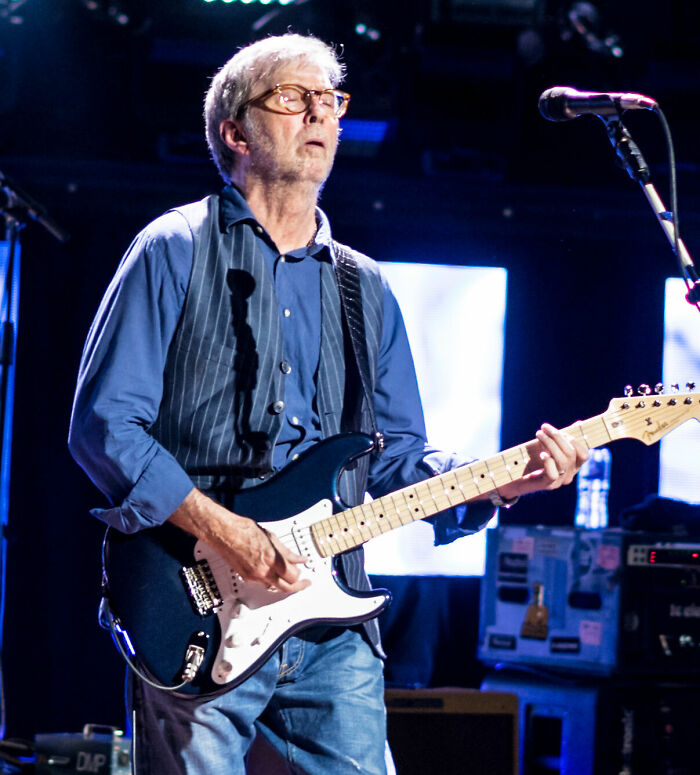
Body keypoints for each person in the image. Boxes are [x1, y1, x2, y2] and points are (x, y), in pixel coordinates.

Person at [68, 33, 587, 775]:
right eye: (292, 97)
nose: (319, 113)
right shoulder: (173, 248)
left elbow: (399, 458)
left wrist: (502, 479)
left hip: (332, 618)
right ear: (234, 130)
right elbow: (104, 426)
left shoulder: (365, 288)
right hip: (194, 602)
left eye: (331, 101)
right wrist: (233, 534)